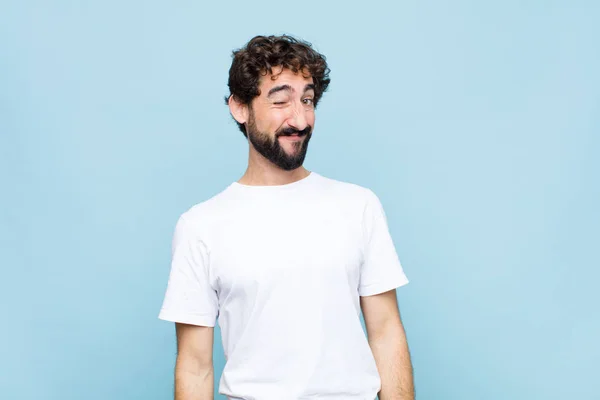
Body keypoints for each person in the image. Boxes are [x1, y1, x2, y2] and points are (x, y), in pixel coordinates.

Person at [158, 34, 415, 400]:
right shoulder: (201, 226)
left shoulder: (358, 206)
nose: (300, 119)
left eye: (307, 100)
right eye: (280, 101)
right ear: (240, 108)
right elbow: (195, 365)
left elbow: (387, 332)